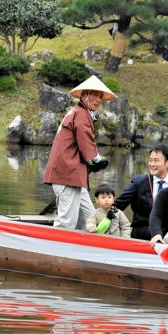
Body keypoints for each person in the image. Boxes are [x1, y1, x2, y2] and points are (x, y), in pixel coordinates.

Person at [43, 75, 115, 230]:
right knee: (66, 222)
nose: (98, 100)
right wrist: (96, 159)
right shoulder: (81, 114)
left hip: (74, 177)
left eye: (100, 97)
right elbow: (85, 140)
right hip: (67, 175)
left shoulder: (76, 112)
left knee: (90, 218)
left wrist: (93, 161)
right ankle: (55, 251)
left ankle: (89, 247)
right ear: (84, 95)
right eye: (94, 95)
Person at [113, 144, 168, 240]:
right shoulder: (139, 183)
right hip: (143, 232)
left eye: (156, 160)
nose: (152, 164)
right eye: (150, 160)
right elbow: (117, 206)